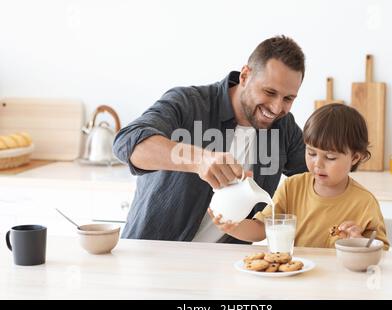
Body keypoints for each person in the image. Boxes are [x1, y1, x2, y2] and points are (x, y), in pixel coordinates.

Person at [113, 35, 308, 242]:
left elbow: (320, 178)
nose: (277, 108)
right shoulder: (189, 104)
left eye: (288, 99)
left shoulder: (283, 128)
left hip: (224, 268)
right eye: (269, 92)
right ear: (245, 76)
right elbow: (127, 142)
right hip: (154, 259)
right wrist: (199, 160)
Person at [209, 103, 390, 249]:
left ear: (355, 157)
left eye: (330, 157)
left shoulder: (365, 203)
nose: (317, 164)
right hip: (299, 280)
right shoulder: (292, 187)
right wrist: (232, 226)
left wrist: (358, 242)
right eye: (311, 153)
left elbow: (381, 252)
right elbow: (261, 229)